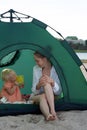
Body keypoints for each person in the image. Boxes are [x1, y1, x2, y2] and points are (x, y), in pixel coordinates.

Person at [31, 51, 62, 121]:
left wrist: (53, 83)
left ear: (45, 59)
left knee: (47, 83)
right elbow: (34, 91)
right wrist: (38, 85)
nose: (36, 63)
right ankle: (49, 114)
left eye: (37, 61)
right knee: (43, 94)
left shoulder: (56, 69)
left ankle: (51, 112)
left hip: (52, 96)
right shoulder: (35, 69)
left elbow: (59, 92)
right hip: (38, 96)